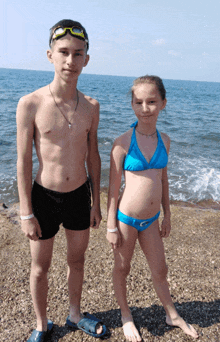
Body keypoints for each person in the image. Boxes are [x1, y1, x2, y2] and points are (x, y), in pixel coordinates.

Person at [16, 19, 107, 342]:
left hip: (79, 195)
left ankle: (74, 314)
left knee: (77, 259)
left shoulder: (92, 107)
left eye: (77, 54)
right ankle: (41, 324)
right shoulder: (31, 103)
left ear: (86, 59)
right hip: (44, 197)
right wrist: (26, 211)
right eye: (64, 52)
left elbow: (93, 157)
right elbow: (24, 161)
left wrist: (96, 202)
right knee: (40, 266)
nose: (71, 61)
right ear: (50, 55)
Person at [106, 75, 199, 341]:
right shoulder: (122, 143)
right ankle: (126, 316)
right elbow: (113, 191)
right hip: (126, 219)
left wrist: (168, 214)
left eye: (151, 102)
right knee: (122, 269)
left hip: (152, 219)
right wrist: (111, 226)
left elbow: (163, 180)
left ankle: (172, 314)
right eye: (138, 102)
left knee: (160, 269)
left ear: (163, 104)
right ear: (132, 104)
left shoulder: (165, 140)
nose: (144, 108)